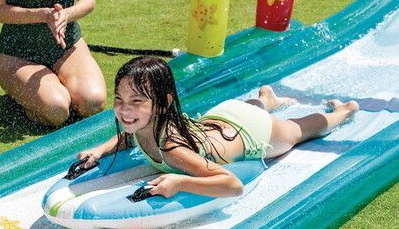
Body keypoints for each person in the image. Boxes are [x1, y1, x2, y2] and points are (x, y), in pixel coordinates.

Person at [77, 56, 359, 198]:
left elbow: (232, 185)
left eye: (136, 101)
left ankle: (344, 111)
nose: (125, 110)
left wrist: (180, 182)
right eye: (119, 100)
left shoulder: (173, 149)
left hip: (253, 132)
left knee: (299, 130)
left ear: (163, 103)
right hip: (222, 116)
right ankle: (266, 100)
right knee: (253, 109)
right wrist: (100, 149)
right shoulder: (142, 123)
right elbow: (130, 137)